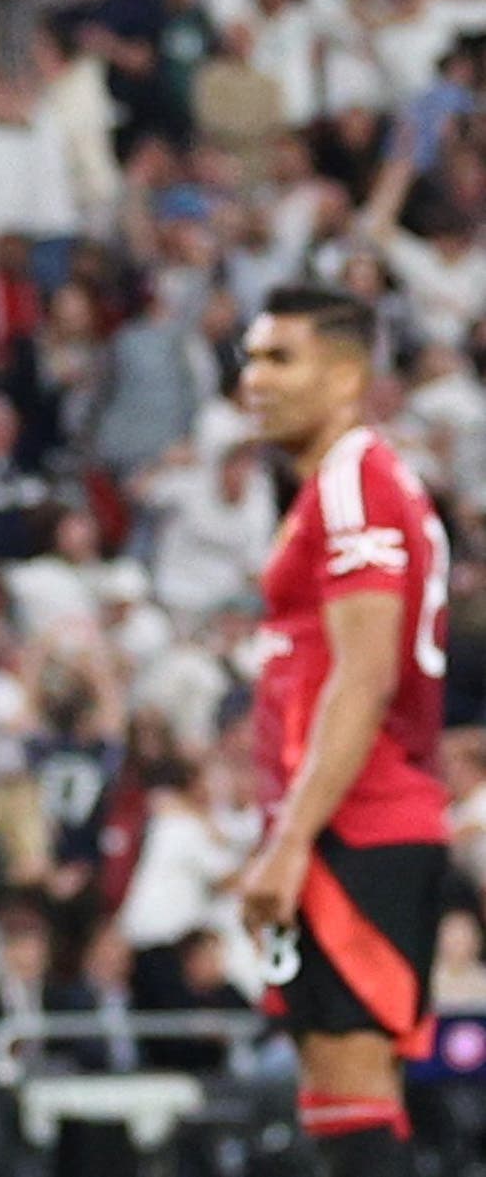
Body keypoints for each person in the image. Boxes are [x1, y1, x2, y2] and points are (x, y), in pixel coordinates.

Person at [234, 285, 453, 1177]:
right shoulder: (344, 482)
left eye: (280, 358)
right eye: (250, 357)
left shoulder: (353, 481)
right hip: (355, 820)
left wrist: (290, 841)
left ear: (348, 375)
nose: (254, 379)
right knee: (343, 1094)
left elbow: (364, 676)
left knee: (350, 1088)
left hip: (356, 823)